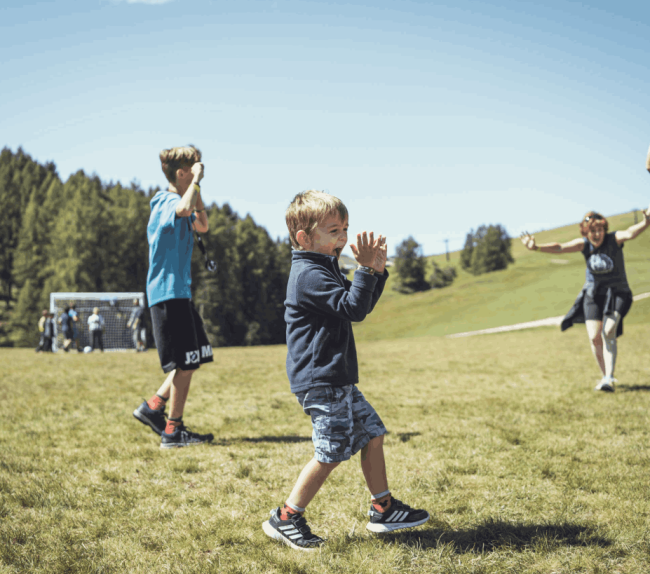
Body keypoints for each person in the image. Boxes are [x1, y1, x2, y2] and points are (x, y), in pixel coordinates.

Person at [262, 190, 429, 551]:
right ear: (304, 238)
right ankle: (287, 517)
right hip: (321, 380)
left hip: (336, 377)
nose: (342, 238)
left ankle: (383, 508)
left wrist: (376, 272)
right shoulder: (308, 274)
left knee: (371, 432)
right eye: (334, 230)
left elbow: (357, 304)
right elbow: (353, 308)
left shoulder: (323, 266)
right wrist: (367, 270)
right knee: (332, 450)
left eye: (345, 229)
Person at [132, 145, 214, 449]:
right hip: (168, 294)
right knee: (186, 362)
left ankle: (154, 407)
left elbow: (202, 224)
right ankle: (172, 430)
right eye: (192, 169)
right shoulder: (165, 201)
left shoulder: (183, 199)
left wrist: (196, 188)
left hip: (179, 292)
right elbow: (182, 210)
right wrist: (197, 182)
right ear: (182, 173)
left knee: (193, 357)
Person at [521, 204, 650, 392]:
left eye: (600, 230)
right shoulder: (584, 245)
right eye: (592, 231)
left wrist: (647, 221)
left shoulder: (614, 239)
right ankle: (606, 377)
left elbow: (631, 233)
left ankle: (609, 377)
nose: (597, 234)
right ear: (586, 232)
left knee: (608, 331)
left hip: (617, 292)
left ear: (605, 230)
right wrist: (537, 248)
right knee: (594, 337)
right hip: (593, 294)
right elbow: (560, 247)